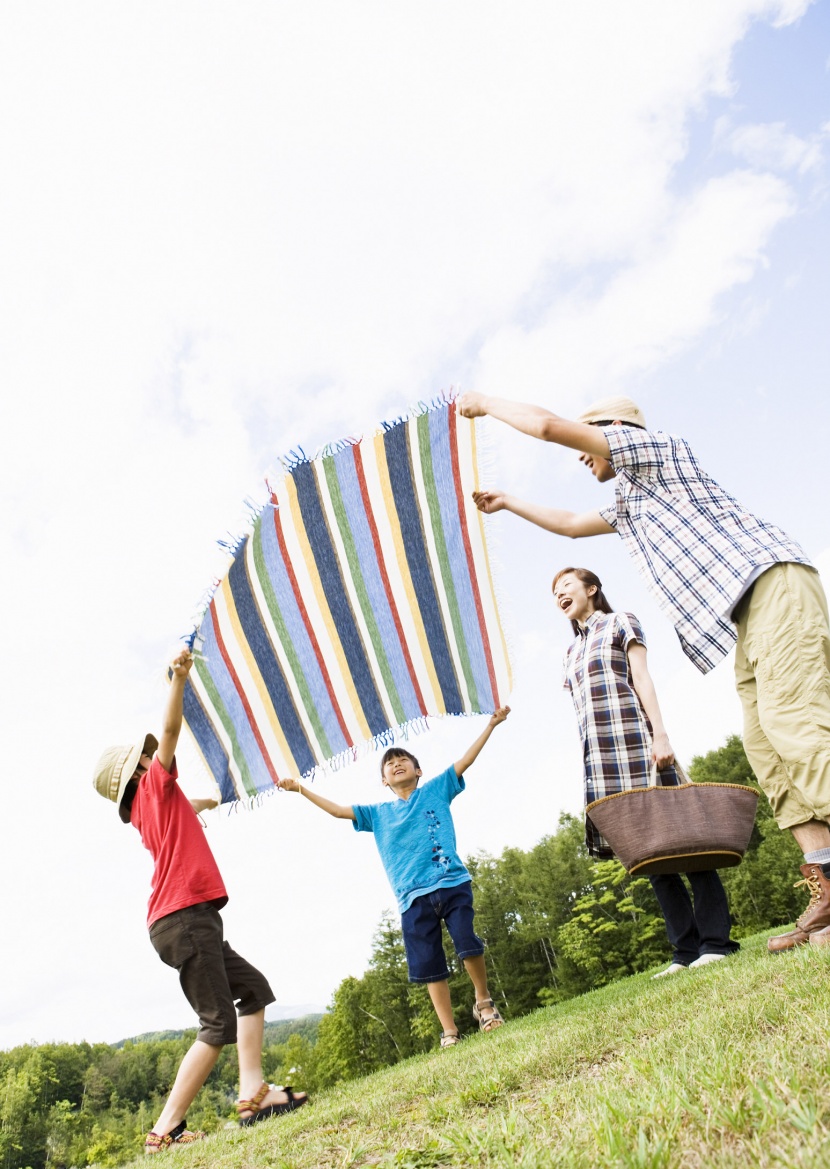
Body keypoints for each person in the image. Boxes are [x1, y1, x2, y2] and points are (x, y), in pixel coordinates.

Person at [458, 391, 830, 954]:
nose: (583, 457)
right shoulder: (632, 500)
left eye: (591, 439)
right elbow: (569, 525)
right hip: (746, 615)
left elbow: (549, 427)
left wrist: (485, 403)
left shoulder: (654, 451)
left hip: (773, 584)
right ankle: (826, 884)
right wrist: (509, 501)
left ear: (614, 428)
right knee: (768, 752)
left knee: (797, 732)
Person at [92, 649, 307, 1153]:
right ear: (141, 772)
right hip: (184, 917)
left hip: (183, 919)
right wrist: (178, 681)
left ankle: (254, 1094)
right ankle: (164, 1131)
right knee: (217, 1022)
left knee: (254, 990)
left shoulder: (153, 807)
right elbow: (169, 735)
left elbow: (189, 802)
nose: (154, 756)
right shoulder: (155, 788)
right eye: (146, 757)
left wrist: (212, 801)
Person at [278, 709, 511, 1047]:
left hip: (451, 882)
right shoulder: (377, 813)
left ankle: (484, 1004)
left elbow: (466, 760)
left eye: (403, 759)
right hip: (411, 899)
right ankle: (449, 1031)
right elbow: (337, 810)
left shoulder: (435, 790)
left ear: (418, 771)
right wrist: (301, 789)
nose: (397, 763)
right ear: (384, 780)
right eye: (389, 764)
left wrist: (490, 725)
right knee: (430, 965)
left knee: (467, 942)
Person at [553, 565, 738, 975]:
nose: (559, 595)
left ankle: (716, 942)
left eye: (565, 585)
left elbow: (642, 678)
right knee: (647, 854)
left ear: (592, 588)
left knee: (685, 841)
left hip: (640, 743)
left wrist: (661, 735)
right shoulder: (569, 653)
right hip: (603, 762)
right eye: (554, 593)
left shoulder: (621, 622)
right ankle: (685, 951)